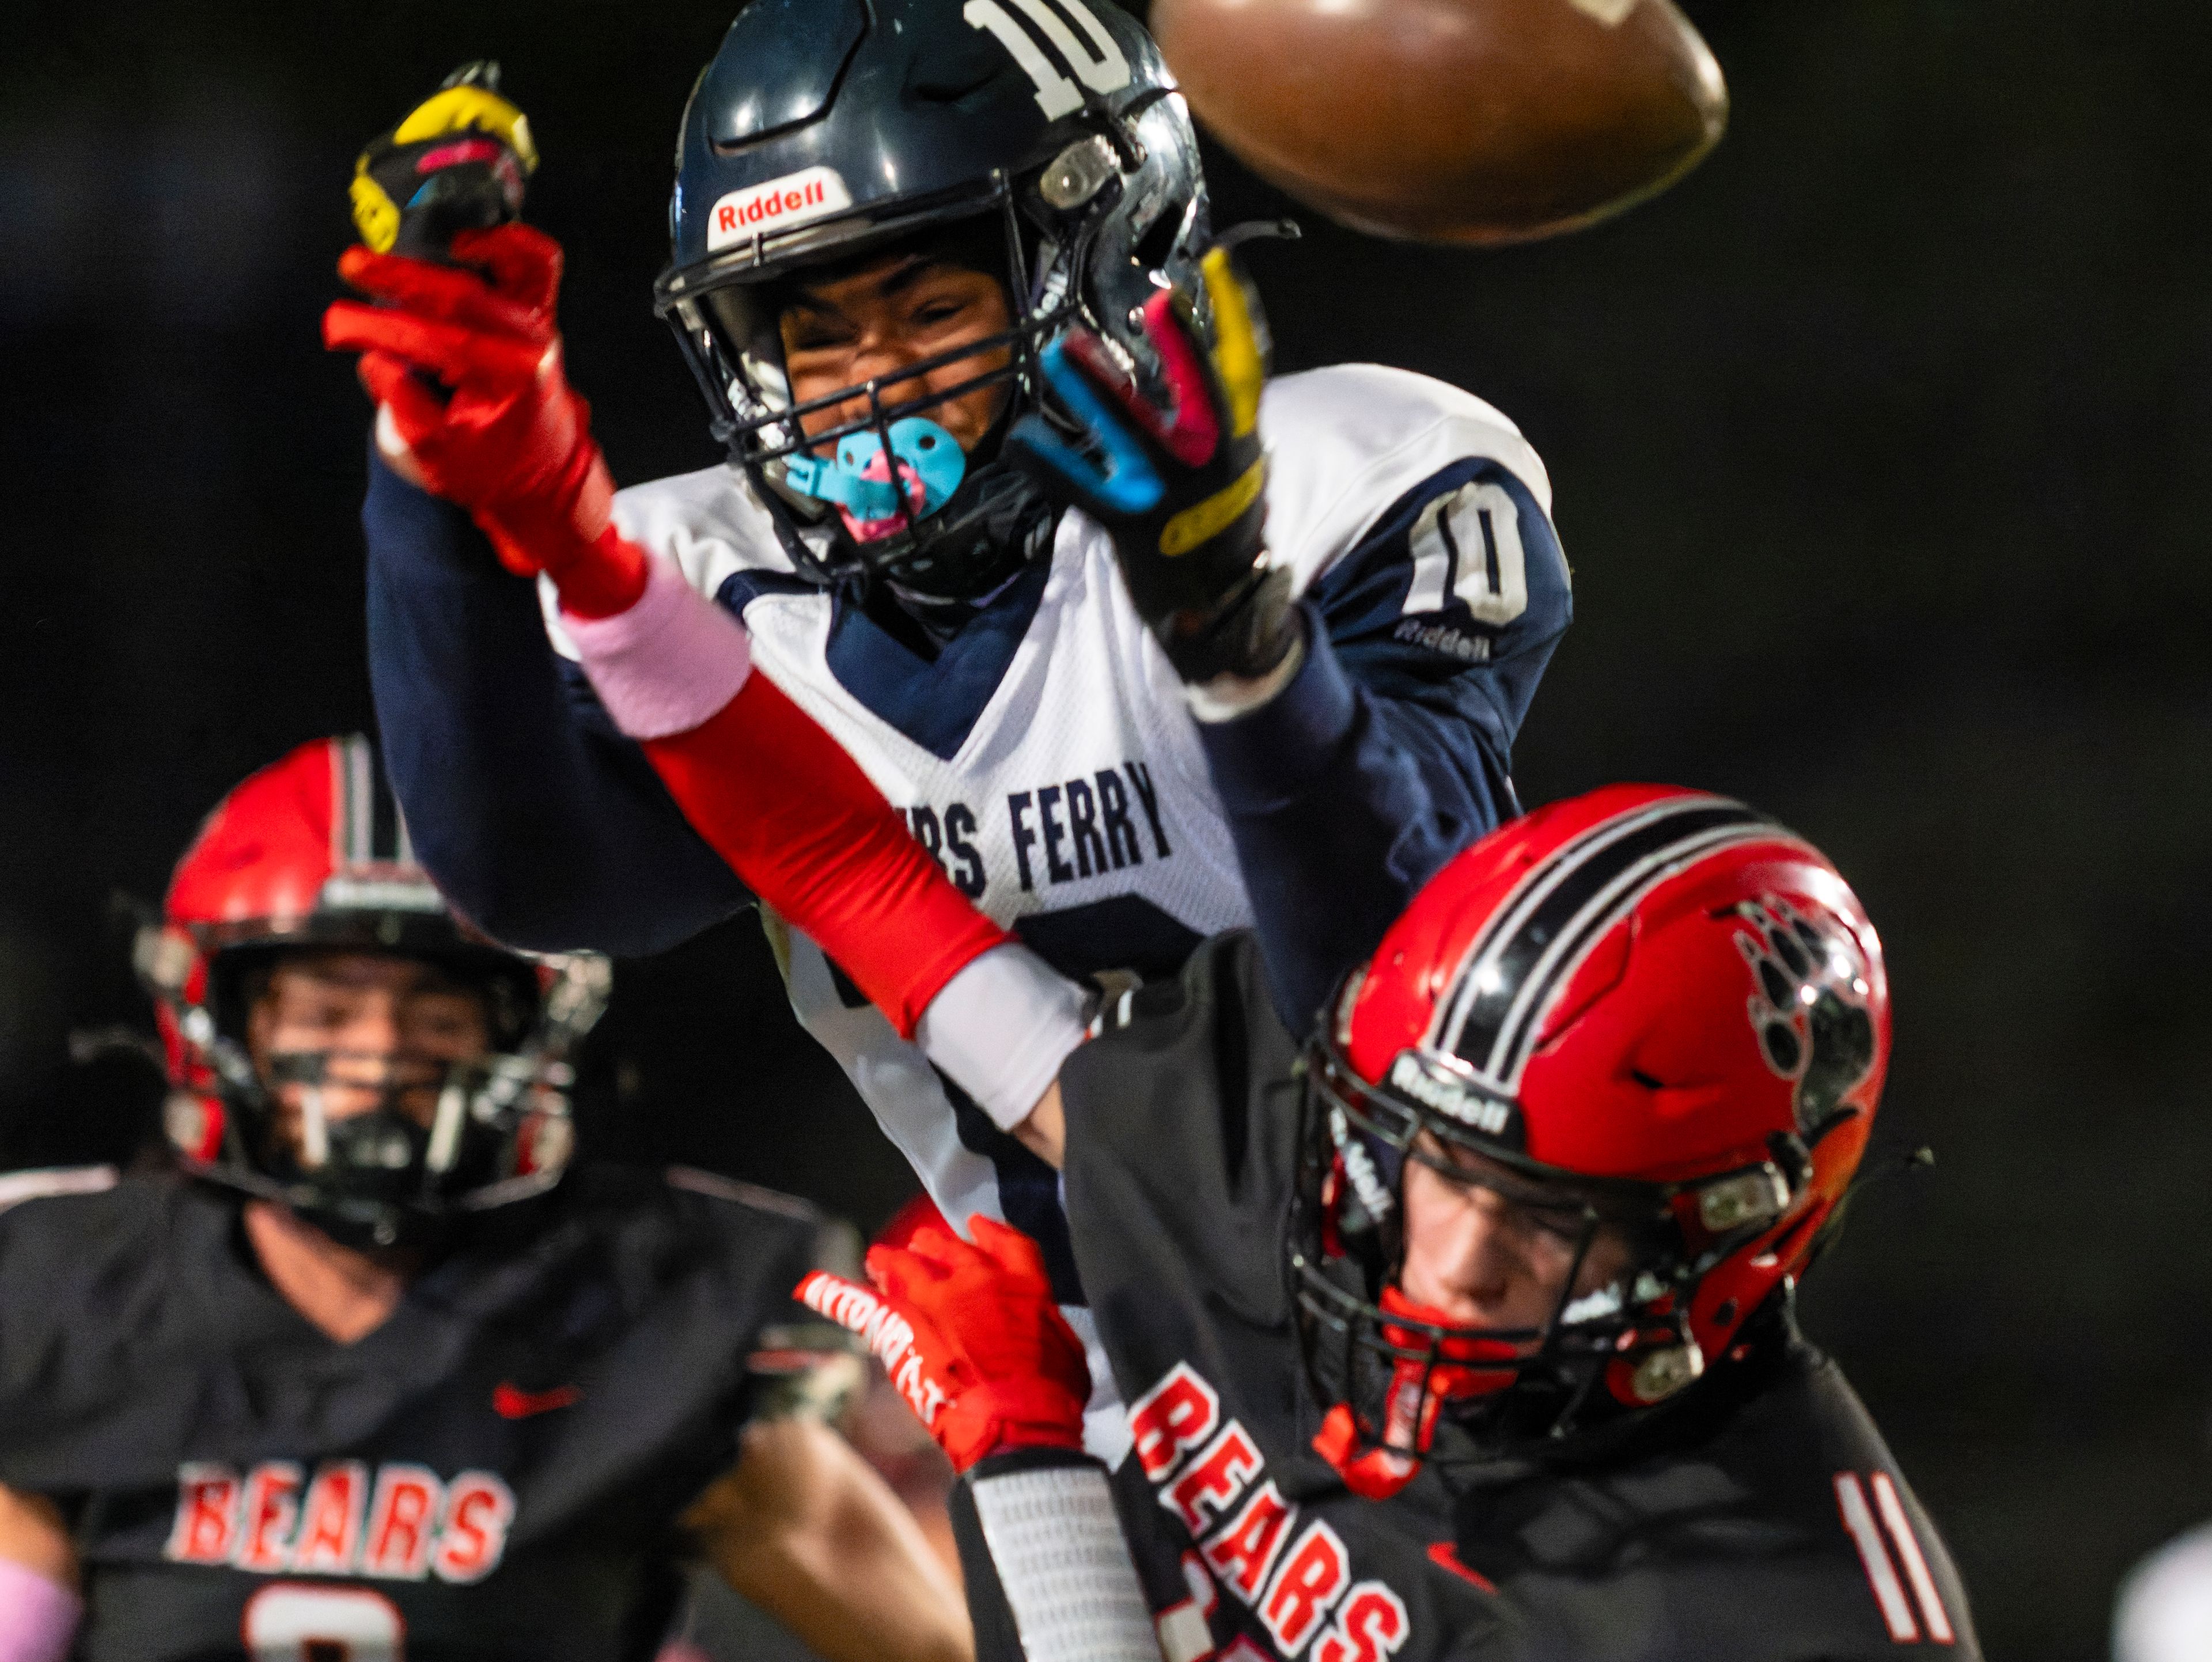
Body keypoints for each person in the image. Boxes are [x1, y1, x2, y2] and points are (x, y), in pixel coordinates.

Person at [425, 462, 1983, 1659]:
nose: (1439, 1256)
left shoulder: (1780, 1606)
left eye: (1543, 1222)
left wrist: (1029, 1469)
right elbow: (852, 870)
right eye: (1433, 1157)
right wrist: (580, 551)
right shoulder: (1269, 1143)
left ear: (1721, 1242)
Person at [321, 0, 1575, 1462]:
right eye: (816, 329)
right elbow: (534, 878)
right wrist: (429, 470)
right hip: (1069, 1407)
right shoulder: (722, 586)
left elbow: (1406, 985)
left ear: (1103, 260)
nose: (873, 391)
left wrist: (1233, 628)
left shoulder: (1341, 481)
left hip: (1457, 1358)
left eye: (930, 311)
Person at [0, 737, 971, 1662]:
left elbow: (943, 1647)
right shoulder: (66, 1304)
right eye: (327, 1011)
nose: (378, 1057)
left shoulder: (656, 1309)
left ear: (529, 1030)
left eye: (437, 1014)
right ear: (222, 1022)